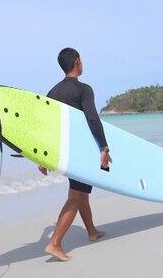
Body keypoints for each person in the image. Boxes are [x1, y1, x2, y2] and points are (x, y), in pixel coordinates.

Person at [37, 47, 112, 261]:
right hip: (80, 151)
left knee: (80, 192)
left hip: (64, 152)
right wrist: (104, 147)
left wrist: (41, 157)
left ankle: (91, 231)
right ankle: (55, 243)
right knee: (76, 197)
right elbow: (92, 119)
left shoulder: (52, 92)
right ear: (77, 62)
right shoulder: (84, 89)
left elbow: (46, 127)